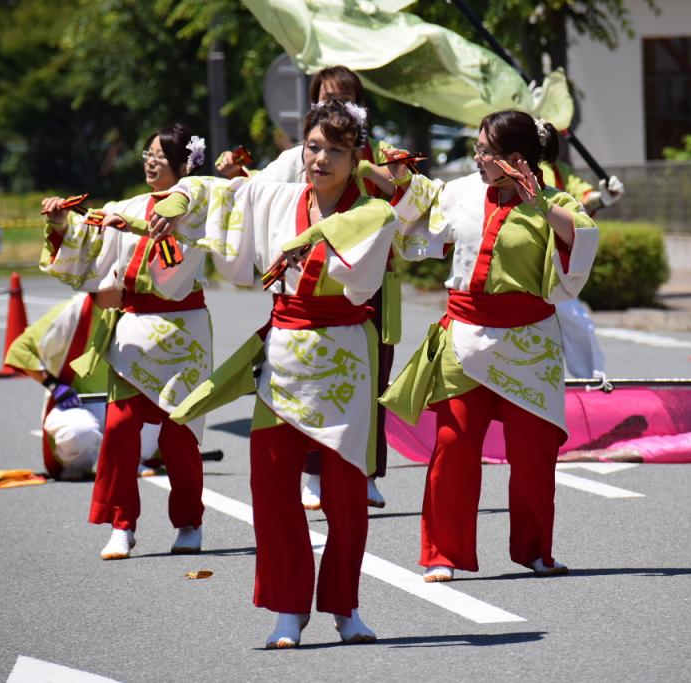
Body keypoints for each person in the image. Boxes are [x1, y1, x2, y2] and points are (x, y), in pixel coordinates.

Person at [163, 100, 417, 648]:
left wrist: (320, 244)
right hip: (282, 355)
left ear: (356, 159)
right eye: (313, 145)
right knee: (272, 486)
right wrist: (184, 193)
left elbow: (360, 288)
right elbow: (220, 193)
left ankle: (345, 607)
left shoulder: (373, 213)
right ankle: (286, 607)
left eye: (335, 150)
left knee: (346, 494)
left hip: (345, 353)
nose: (320, 158)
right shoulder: (276, 195)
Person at [380, 110, 599, 582]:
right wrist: (399, 180)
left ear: (515, 160)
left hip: (529, 342)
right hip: (466, 336)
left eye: (485, 151)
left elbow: (582, 240)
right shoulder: (461, 191)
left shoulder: (555, 201)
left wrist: (539, 203)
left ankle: (536, 550)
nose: (477, 158)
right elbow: (419, 216)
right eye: (477, 149)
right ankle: (442, 553)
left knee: (534, 452)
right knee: (452, 446)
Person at [221, 64, 394, 511]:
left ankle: (365, 468)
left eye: (342, 97)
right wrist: (233, 181)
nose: (321, 157)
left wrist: (389, 182)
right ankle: (311, 472)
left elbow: (411, 207)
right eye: (321, 97)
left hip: (364, 275)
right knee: (300, 378)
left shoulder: (381, 157)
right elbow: (258, 193)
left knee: (371, 376)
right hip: (304, 284)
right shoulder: (299, 154)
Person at [39, 123, 213, 560]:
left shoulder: (197, 207)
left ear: (183, 164)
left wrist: (131, 228)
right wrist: (64, 224)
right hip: (133, 330)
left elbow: (172, 270)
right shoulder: (126, 205)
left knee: (179, 436)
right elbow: (89, 245)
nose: (151, 161)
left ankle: (188, 520)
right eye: (147, 153)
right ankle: (122, 523)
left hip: (182, 333)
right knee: (118, 429)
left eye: (161, 155)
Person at [4, 292, 159, 481]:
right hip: (76, 405)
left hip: (126, 404)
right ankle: (78, 465)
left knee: (169, 414)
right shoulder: (71, 312)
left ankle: (131, 460)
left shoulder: (141, 311)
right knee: (79, 433)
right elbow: (20, 349)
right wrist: (55, 386)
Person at [539, 121, 623, 380]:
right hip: (511, 269)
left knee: (577, 325)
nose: (539, 133)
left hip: (548, 266)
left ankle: (589, 381)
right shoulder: (498, 171)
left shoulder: (558, 171)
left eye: (543, 130)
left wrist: (602, 197)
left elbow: (583, 199)